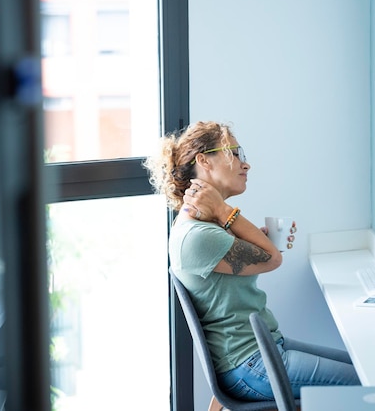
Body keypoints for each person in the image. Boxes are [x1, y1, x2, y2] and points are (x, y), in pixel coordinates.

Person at [144, 121, 360, 401]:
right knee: (370, 384)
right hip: (250, 365)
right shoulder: (198, 235)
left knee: (367, 370)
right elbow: (272, 259)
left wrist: (256, 237)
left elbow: (259, 257)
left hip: (264, 349)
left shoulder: (205, 227)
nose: (246, 164)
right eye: (235, 153)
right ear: (204, 160)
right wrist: (224, 209)